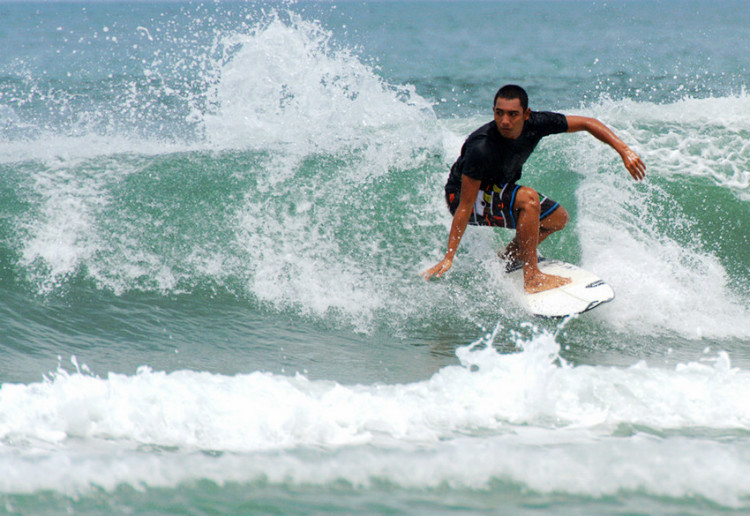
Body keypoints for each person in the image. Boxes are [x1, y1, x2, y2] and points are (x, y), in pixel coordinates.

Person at [421, 84, 646, 293]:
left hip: (495, 189)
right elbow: (464, 205)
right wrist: (449, 257)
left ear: (526, 114)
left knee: (557, 219)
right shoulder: (481, 146)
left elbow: (587, 123)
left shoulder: (537, 124)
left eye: (512, 114)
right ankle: (532, 277)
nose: (505, 120)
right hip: (460, 197)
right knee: (528, 199)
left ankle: (508, 258)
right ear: (493, 111)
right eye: (499, 113)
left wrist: (624, 151)